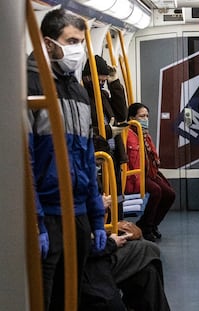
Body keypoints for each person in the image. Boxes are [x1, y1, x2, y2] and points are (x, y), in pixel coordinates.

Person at [27, 9, 106, 310]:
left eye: (81, 43)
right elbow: (26, 159)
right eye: (71, 41)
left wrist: (97, 217)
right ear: (48, 43)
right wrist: (36, 222)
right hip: (47, 214)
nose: (78, 50)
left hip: (79, 212)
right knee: (44, 300)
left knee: (73, 298)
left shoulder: (78, 91)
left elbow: (87, 157)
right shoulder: (28, 86)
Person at [80, 205, 171, 311]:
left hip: (93, 253)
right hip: (85, 263)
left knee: (147, 272)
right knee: (149, 249)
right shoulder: (67, 206)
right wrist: (111, 242)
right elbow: (79, 244)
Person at [83, 55, 128, 219]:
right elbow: (84, 129)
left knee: (117, 197)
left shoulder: (103, 96)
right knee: (104, 198)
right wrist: (109, 131)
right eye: (100, 80)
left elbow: (123, 113)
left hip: (112, 154)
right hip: (98, 156)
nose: (102, 84)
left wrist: (114, 82)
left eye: (104, 81)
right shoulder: (84, 99)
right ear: (87, 77)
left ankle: (119, 226)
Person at [125, 103, 176, 242]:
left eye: (147, 116)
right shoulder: (127, 135)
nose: (145, 119)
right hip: (135, 175)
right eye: (142, 116)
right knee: (156, 191)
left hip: (150, 172)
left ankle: (152, 224)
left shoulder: (146, 135)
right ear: (131, 118)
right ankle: (146, 227)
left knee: (170, 194)